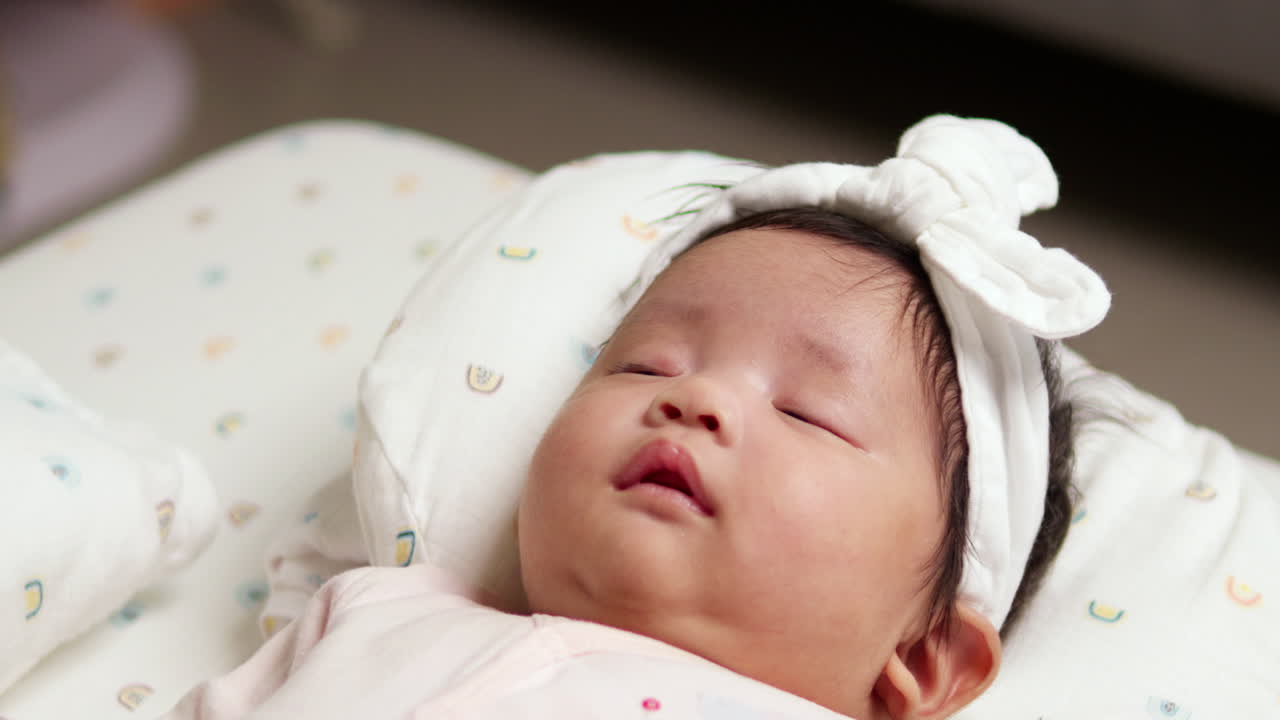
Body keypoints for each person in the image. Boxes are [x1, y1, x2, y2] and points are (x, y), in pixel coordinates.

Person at [159, 115, 1110, 719]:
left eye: (809, 413)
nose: (693, 398)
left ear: (923, 657)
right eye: (646, 363)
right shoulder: (374, 611)